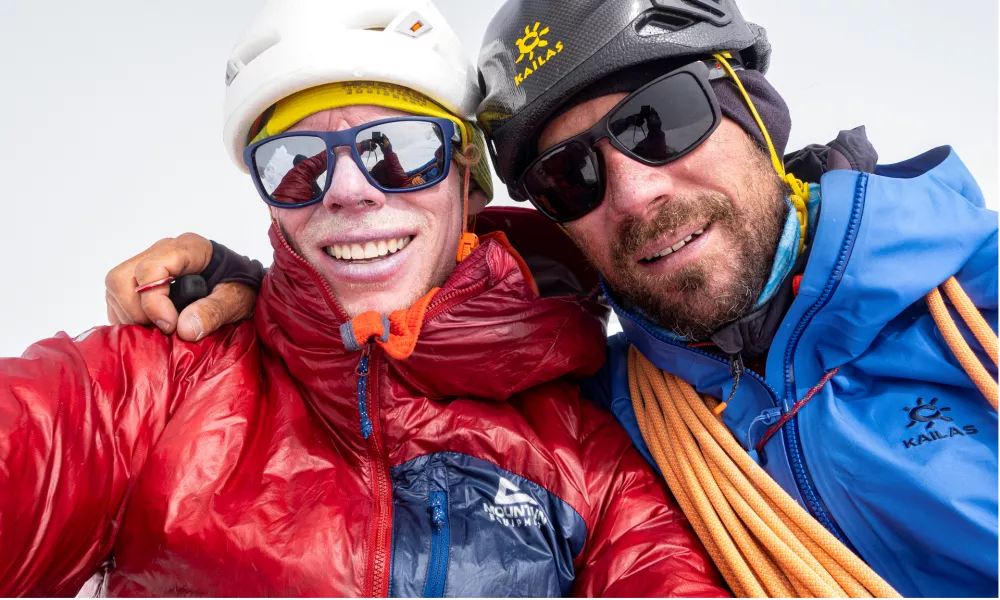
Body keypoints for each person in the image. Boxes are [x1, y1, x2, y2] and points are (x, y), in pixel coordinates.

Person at [105, 0, 998, 596]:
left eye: (661, 122)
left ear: (755, 109)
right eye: (571, 176)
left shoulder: (980, 297)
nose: (638, 192)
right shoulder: (612, 418)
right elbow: (422, 370)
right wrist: (284, 306)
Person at [0, 0, 727, 596]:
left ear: (467, 183)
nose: (349, 191)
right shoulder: (163, 383)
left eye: (402, 152)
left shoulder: (590, 463)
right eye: (296, 164)